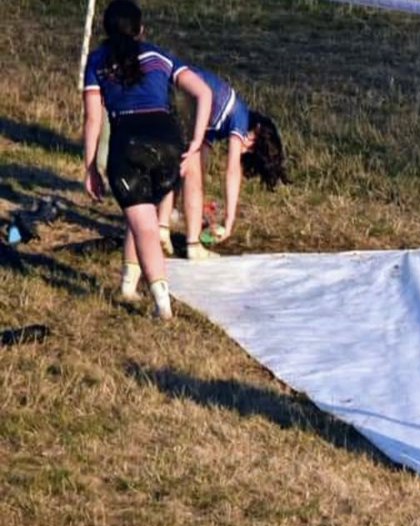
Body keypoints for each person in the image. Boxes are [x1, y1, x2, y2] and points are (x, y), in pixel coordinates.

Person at [83, 0, 212, 319]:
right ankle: (128, 285)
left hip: (128, 142)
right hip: (169, 143)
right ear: (141, 30)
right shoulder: (160, 55)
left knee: (143, 225)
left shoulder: (98, 61)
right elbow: (204, 93)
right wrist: (195, 142)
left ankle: (161, 304)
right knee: (145, 219)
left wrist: (90, 167)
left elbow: (92, 120)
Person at [157, 66, 287, 258]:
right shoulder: (240, 116)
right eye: (252, 146)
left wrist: (197, 212)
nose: (247, 148)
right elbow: (232, 170)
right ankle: (188, 241)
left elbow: (199, 167)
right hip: (188, 95)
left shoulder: (213, 126)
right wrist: (229, 219)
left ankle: (162, 226)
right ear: (256, 131)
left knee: (182, 165)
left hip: (170, 92)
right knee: (187, 168)